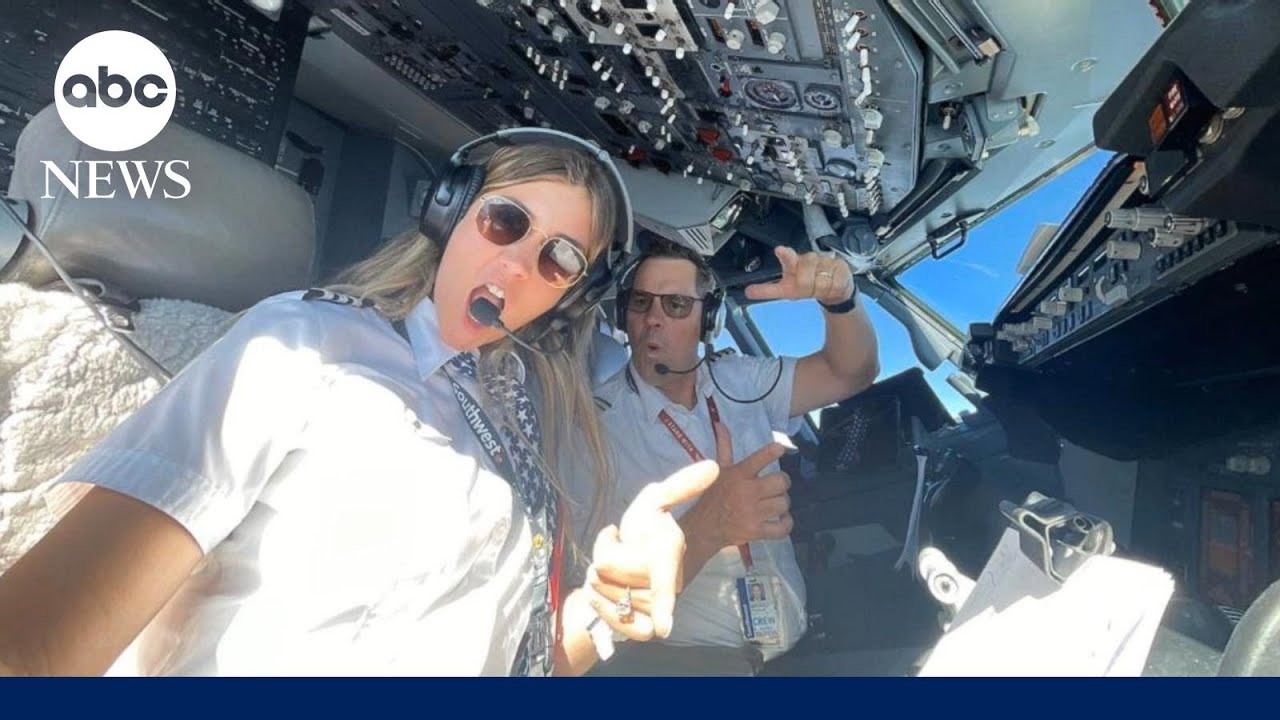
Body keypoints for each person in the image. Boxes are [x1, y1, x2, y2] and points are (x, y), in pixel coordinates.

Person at [0, 130, 716, 676]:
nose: (517, 264)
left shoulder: (522, 421)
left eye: (560, 259)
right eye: (506, 222)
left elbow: (523, 660)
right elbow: (33, 649)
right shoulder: (305, 344)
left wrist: (603, 609)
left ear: (573, 296)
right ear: (450, 213)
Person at [586, 234, 879, 675]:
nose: (653, 319)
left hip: (792, 650)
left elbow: (850, 372)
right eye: (641, 303)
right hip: (684, 665)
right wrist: (710, 523)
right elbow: (594, 587)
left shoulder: (740, 380)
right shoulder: (594, 425)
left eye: (677, 305)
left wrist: (840, 301)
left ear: (709, 321)